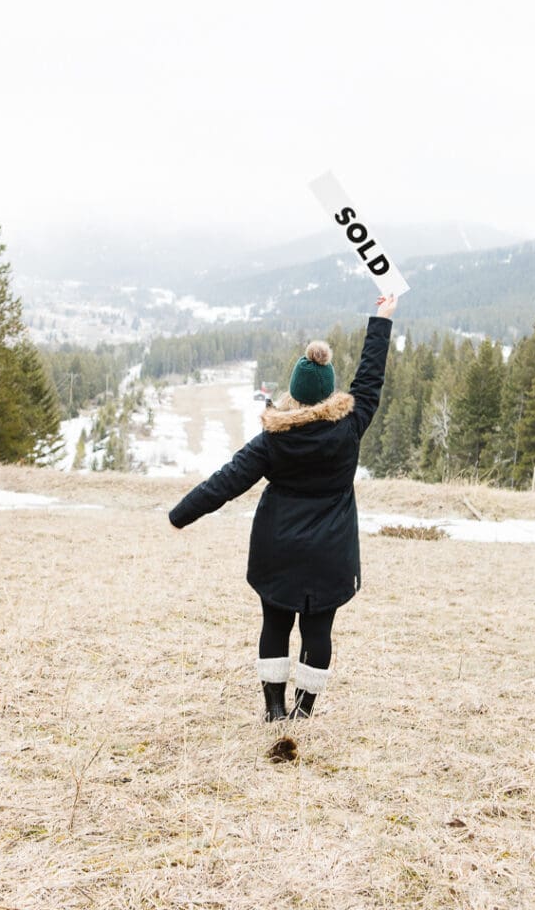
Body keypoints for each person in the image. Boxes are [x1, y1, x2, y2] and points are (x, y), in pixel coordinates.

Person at [168, 293, 397, 721]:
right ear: (331, 390)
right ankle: (303, 712)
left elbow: (227, 481)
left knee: (275, 625)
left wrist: (181, 514)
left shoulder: (273, 439)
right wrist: (382, 317)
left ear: (293, 391)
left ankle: (273, 708)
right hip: (330, 553)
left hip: (277, 548)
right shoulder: (351, 427)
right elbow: (371, 375)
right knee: (318, 631)